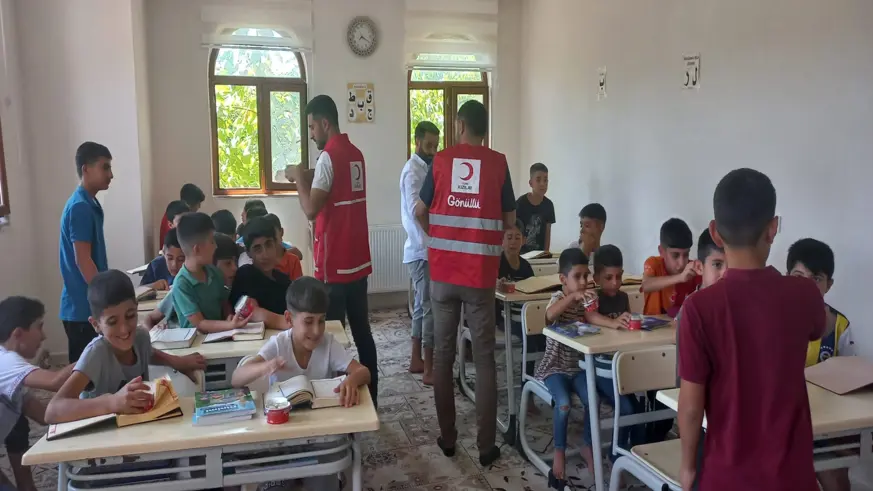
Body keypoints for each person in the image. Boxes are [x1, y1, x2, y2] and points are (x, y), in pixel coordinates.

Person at [678, 168, 825, 491]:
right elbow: (819, 327)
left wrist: (688, 468)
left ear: (715, 233)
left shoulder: (698, 308)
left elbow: (690, 407)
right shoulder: (805, 293)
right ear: (773, 229)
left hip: (726, 479)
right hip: (792, 479)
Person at [414, 99, 515, 466]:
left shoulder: (440, 162)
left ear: (459, 125)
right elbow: (510, 221)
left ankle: (448, 438)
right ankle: (486, 446)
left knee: (443, 357)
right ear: (485, 128)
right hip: (480, 277)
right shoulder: (498, 164)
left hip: (443, 275)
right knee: (484, 359)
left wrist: (437, 240)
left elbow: (420, 211)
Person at [231, 276, 371, 491]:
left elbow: (363, 372)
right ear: (289, 319)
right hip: (281, 441)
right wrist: (265, 366)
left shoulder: (328, 344)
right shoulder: (279, 344)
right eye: (308, 321)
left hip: (319, 440)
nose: (316, 330)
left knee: (325, 482)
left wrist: (351, 380)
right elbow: (236, 378)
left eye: (321, 320)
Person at [285, 94, 378, 405]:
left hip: (335, 263)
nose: (311, 134)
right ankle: (372, 398)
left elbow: (311, 208)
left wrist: (298, 177)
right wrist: (305, 175)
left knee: (331, 338)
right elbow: (332, 183)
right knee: (362, 333)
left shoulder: (328, 156)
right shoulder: (355, 153)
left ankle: (336, 400)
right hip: (357, 261)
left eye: (312, 127)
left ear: (325, 123)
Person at [45, 270, 206, 423]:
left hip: (137, 427)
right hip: (102, 437)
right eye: (112, 322)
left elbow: (149, 353)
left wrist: (177, 362)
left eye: (130, 316)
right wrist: (112, 403)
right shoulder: (96, 353)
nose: (124, 330)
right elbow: (53, 411)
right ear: (96, 325)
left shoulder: (140, 336)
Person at [788, 238, 853, 491]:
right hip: (784, 422)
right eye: (798, 276)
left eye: (815, 278)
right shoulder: (774, 319)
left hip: (824, 423)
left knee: (837, 476)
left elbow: (850, 379)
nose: (806, 285)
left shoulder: (840, 325)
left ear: (829, 284)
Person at [533, 248, 599, 487]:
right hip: (554, 368)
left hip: (577, 367)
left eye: (586, 276)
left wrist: (603, 315)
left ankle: (588, 445)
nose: (583, 282)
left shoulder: (585, 301)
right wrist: (571, 298)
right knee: (563, 404)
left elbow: (593, 319)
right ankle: (559, 451)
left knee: (593, 400)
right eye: (577, 276)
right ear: (563, 279)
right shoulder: (558, 298)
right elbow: (550, 315)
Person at [0, 297, 75, 491]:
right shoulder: (5, 361)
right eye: (39, 327)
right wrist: (97, 349)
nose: (43, 336)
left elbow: (45, 416)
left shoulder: (13, 376)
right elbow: (56, 381)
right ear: (18, 333)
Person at [580, 245, 643, 467]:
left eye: (619, 276)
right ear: (596, 277)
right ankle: (610, 451)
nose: (615, 283)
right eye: (608, 278)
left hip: (619, 365)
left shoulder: (623, 297)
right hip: (597, 367)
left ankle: (625, 449)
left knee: (636, 409)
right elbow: (590, 316)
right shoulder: (593, 296)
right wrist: (613, 322)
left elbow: (626, 325)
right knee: (626, 408)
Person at [60, 142, 113, 363]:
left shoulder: (89, 203)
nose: (111, 175)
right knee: (85, 374)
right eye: (105, 167)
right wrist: (105, 301)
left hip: (88, 306)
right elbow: (83, 260)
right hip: (83, 310)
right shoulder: (80, 206)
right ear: (86, 169)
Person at [400, 121, 439, 385]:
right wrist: (434, 239)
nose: (433, 150)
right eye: (428, 145)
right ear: (417, 142)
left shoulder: (428, 167)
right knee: (429, 309)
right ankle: (429, 369)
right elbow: (418, 210)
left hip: (424, 249)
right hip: (421, 250)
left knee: (421, 307)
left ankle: (417, 359)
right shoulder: (413, 171)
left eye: (436, 145)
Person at [172, 213, 250, 333]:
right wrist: (229, 325)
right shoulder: (181, 284)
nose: (216, 246)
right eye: (212, 242)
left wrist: (229, 316)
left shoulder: (214, 273)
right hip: (196, 341)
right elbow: (200, 323)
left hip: (220, 335)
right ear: (197, 249)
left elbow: (224, 303)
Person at [144, 233, 239, 330]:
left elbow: (225, 308)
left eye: (236, 262)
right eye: (228, 264)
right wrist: (154, 332)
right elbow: (150, 318)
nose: (235, 268)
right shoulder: (182, 288)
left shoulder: (223, 288)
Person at [230, 217, 292, 330]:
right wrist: (289, 323)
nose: (265, 254)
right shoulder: (245, 275)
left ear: (276, 244)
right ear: (248, 253)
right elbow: (252, 311)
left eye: (269, 245)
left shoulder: (284, 281)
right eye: (257, 249)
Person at [497, 219, 541, 377]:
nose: (513, 242)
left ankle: (539, 376)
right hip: (504, 317)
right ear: (501, 241)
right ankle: (526, 381)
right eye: (509, 237)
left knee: (542, 333)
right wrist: (496, 284)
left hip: (523, 314)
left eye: (517, 237)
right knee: (529, 333)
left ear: (524, 240)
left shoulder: (526, 266)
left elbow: (533, 289)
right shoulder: (496, 263)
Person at [641, 217, 700, 317]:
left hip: (680, 325)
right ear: (661, 251)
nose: (682, 263)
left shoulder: (693, 269)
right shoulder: (653, 263)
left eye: (686, 254)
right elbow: (645, 286)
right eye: (675, 255)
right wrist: (680, 277)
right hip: (653, 326)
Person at [516, 162, 555, 253]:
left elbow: (548, 232)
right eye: (538, 180)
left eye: (545, 180)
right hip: (521, 253)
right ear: (531, 183)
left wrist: (546, 252)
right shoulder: (520, 203)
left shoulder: (549, 205)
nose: (542, 184)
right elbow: (515, 227)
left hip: (539, 254)